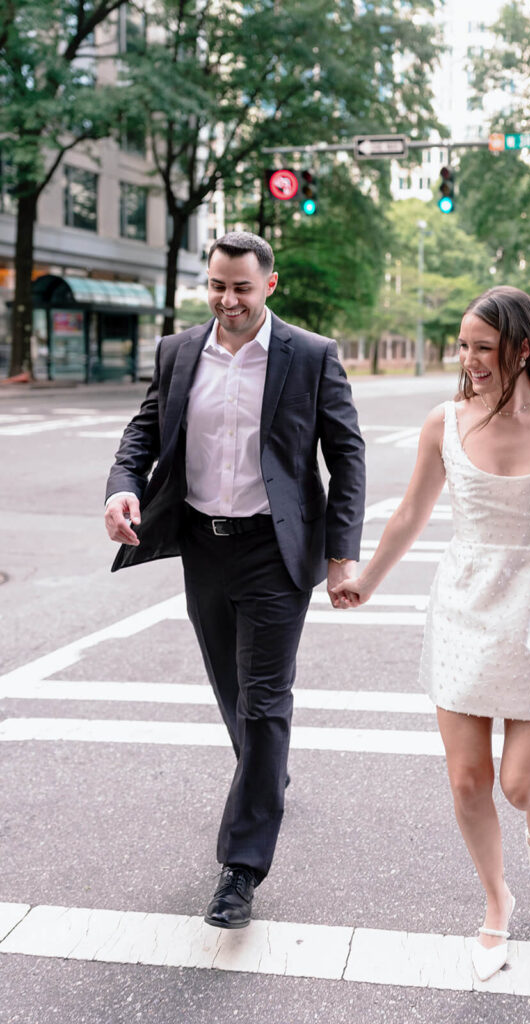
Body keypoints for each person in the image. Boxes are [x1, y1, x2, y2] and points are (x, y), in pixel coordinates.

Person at [332, 285, 530, 981]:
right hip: (464, 611)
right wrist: (367, 581)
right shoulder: (445, 421)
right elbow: (410, 512)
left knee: (519, 784)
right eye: (463, 346)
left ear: (523, 348)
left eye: (484, 348)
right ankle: (497, 903)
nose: (468, 360)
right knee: (468, 782)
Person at [105, 231, 365, 929]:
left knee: (263, 701)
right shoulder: (179, 351)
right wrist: (122, 488)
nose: (228, 300)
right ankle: (266, 774)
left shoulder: (309, 356)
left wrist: (342, 556)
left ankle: (241, 868)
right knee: (232, 690)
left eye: (242, 288)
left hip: (274, 553)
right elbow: (144, 432)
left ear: (269, 286)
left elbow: (347, 456)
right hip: (203, 546)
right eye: (217, 286)